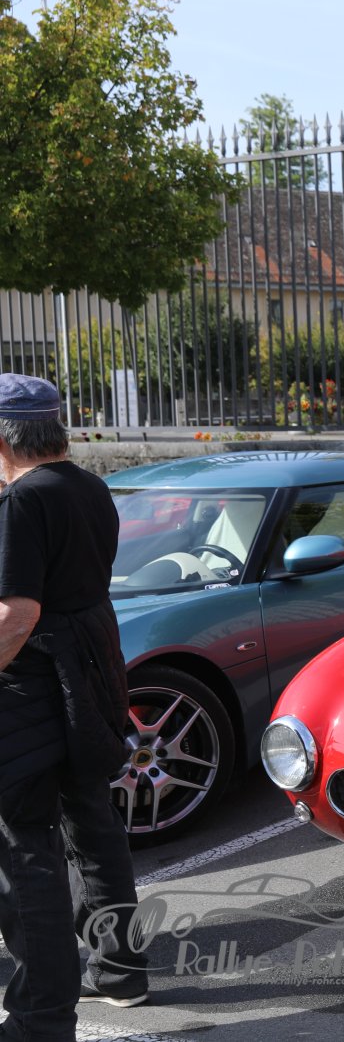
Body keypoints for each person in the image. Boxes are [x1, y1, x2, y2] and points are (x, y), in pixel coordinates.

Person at [0, 374, 147, 1041]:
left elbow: (17, 613)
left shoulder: (22, 500)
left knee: (24, 848)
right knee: (92, 822)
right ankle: (120, 970)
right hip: (90, 669)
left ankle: (41, 1018)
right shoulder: (90, 486)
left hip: (33, 687)